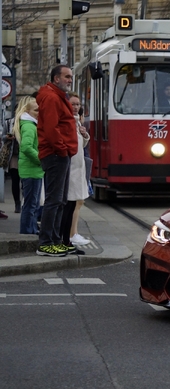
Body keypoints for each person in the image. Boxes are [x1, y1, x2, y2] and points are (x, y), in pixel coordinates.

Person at [35, 64, 79, 257]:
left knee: (59, 200)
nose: (70, 80)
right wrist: (62, 150)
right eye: (67, 77)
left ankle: (55, 240)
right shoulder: (52, 98)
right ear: (56, 79)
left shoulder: (58, 97)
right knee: (54, 200)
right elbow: (52, 129)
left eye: (71, 77)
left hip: (60, 154)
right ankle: (46, 243)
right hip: (55, 154)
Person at [60, 92, 90, 250]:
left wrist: (85, 136)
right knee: (68, 205)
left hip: (78, 168)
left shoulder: (78, 122)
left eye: (78, 104)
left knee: (73, 204)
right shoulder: (67, 121)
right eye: (73, 104)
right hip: (70, 168)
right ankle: (65, 239)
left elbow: (80, 145)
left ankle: (67, 239)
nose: (76, 107)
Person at [14, 96, 44, 234]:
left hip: (32, 170)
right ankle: (27, 232)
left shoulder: (29, 124)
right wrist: (40, 159)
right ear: (27, 111)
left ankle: (31, 229)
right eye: (37, 110)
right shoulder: (29, 126)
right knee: (31, 204)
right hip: (32, 170)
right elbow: (26, 147)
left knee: (33, 204)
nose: (40, 113)